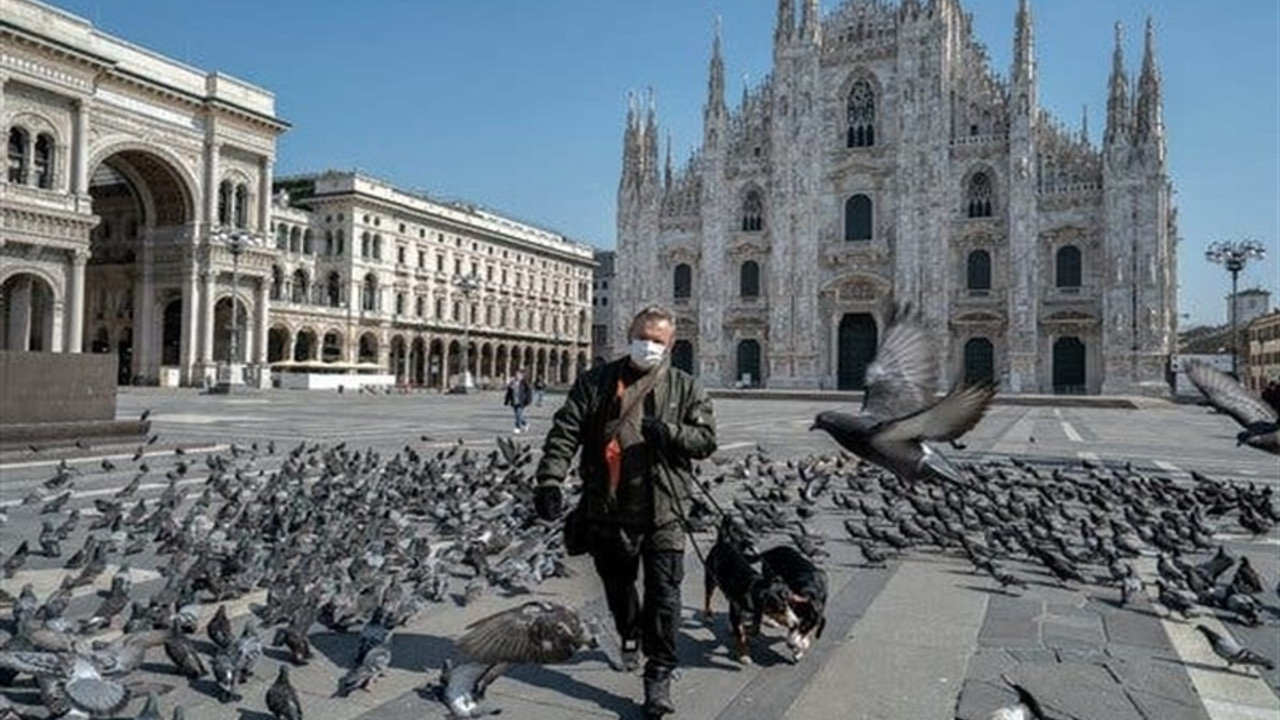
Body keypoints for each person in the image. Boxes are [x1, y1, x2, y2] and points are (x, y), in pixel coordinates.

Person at [533, 305, 717, 718]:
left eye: (657, 340)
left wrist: (670, 433)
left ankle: (659, 674)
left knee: (665, 597)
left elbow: (706, 440)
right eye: (642, 336)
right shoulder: (597, 381)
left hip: (664, 509)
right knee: (618, 591)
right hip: (609, 507)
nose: (648, 345)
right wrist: (549, 479)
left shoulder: (686, 387)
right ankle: (630, 629)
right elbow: (566, 430)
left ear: (671, 345)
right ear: (629, 333)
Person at [503, 369, 533, 434]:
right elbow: (509, 392)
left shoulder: (524, 383)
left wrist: (528, 400)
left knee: (518, 415)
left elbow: (529, 392)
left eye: (518, 375)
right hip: (514, 401)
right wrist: (506, 401)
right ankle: (525, 424)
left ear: (521, 376)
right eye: (516, 375)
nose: (517, 376)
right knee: (518, 415)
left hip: (522, 401)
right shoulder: (512, 383)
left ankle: (518, 428)